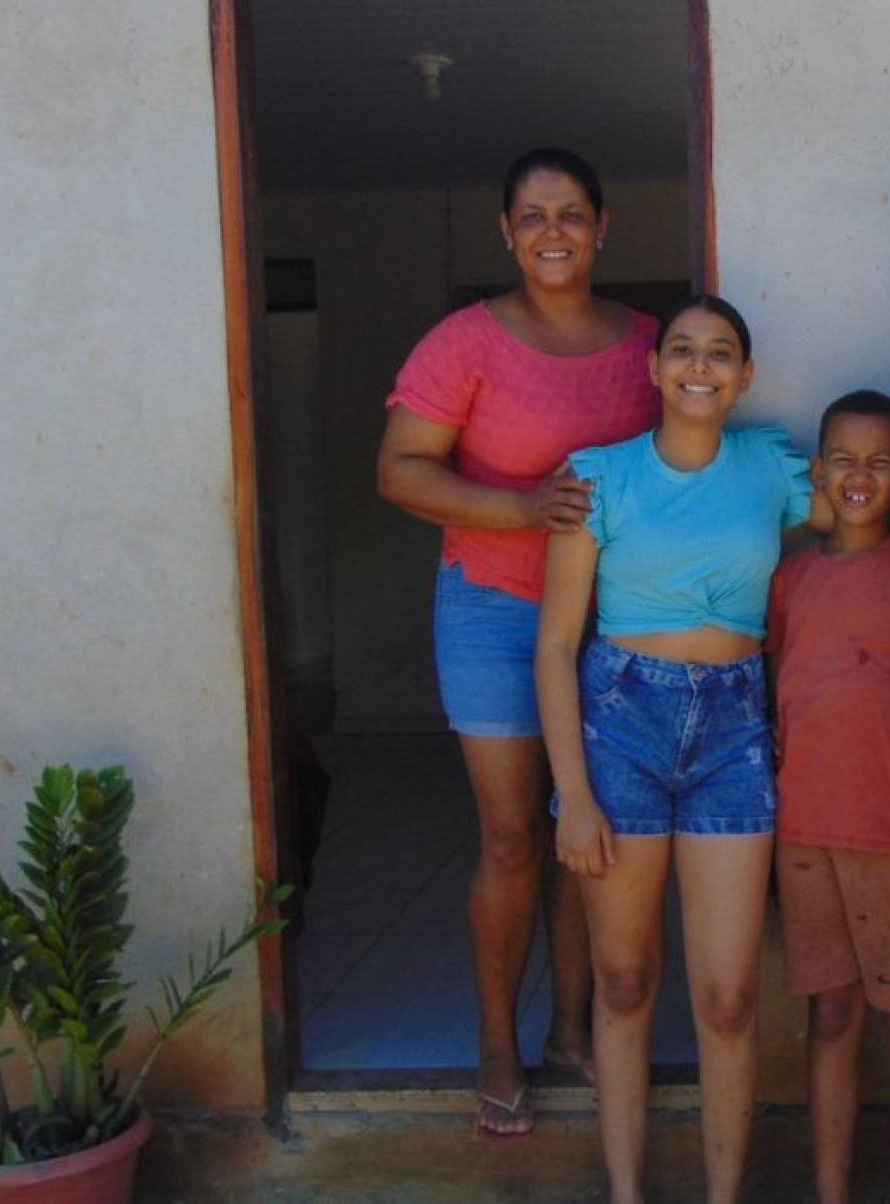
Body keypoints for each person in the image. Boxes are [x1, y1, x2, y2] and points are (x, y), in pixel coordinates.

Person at [377, 147, 657, 1136]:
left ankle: (571, 1027)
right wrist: (522, 507)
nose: (553, 230)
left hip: (612, 620)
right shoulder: (463, 342)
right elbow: (402, 470)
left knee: (588, 828)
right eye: (533, 215)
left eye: (572, 213)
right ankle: (499, 1037)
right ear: (506, 230)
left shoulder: (647, 344)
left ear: (602, 226)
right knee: (510, 833)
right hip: (495, 611)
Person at [537, 294, 821, 1204]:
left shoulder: (773, 468)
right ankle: (626, 1191)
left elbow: (863, 510)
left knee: (731, 996)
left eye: (722, 353)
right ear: (655, 368)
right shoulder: (597, 478)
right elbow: (554, 646)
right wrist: (572, 796)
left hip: (735, 726)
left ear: (745, 376)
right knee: (622, 982)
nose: (702, 367)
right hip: (621, 722)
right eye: (685, 351)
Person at [769, 391, 890, 1204]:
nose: (859, 476)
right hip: (805, 832)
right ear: (818, 471)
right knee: (830, 1019)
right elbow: (779, 693)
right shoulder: (792, 572)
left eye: (879, 462)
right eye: (843, 459)